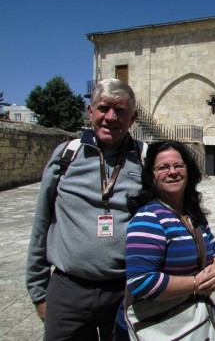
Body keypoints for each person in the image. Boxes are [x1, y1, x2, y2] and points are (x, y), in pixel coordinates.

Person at [26, 78, 144, 340]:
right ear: (90, 112)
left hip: (126, 291)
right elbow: (42, 223)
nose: (110, 117)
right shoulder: (66, 156)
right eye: (103, 108)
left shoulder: (145, 160)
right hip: (69, 290)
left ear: (133, 118)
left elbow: (171, 215)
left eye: (120, 110)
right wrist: (38, 291)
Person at [119, 140, 215, 339]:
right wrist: (196, 283)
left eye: (178, 165)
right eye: (163, 167)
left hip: (195, 320)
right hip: (163, 326)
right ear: (151, 175)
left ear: (188, 170)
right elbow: (140, 282)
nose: (173, 172)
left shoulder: (192, 215)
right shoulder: (148, 218)